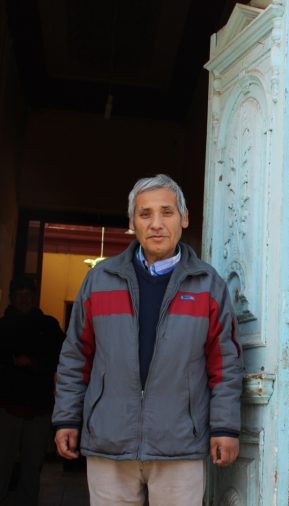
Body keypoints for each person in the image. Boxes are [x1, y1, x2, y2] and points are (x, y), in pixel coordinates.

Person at [52, 174, 244, 505]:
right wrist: (67, 418)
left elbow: (224, 363)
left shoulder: (208, 286)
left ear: (184, 218)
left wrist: (225, 427)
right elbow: (75, 357)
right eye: (145, 214)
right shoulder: (99, 281)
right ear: (131, 223)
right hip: (109, 441)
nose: (157, 224)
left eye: (167, 212)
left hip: (180, 444)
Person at [0, 275, 64, 506]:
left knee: (32, 466)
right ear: (12, 298)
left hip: (37, 408)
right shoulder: (3, 327)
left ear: (35, 298)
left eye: (28, 295)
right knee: (3, 463)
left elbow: (62, 358)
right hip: (7, 407)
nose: (24, 300)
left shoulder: (48, 327)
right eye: (20, 295)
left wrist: (35, 363)